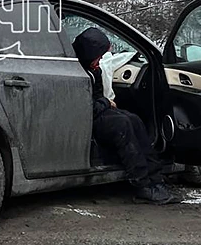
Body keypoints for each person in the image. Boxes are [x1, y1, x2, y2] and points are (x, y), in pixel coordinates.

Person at [73, 27, 178, 205]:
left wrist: (105, 103)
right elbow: (83, 108)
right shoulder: (78, 73)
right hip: (87, 118)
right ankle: (142, 184)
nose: (101, 60)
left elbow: (97, 96)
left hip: (99, 110)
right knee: (122, 125)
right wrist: (106, 103)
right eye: (100, 56)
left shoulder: (94, 68)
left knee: (134, 120)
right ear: (90, 55)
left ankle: (156, 178)